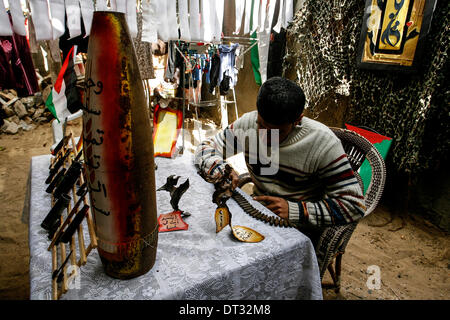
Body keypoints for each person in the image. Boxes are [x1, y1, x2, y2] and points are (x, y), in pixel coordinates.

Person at [194, 77, 365, 242]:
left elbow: (354, 206)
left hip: (300, 229)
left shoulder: (322, 143)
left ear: (298, 120)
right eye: (261, 125)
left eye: (277, 131)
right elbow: (204, 148)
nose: (265, 138)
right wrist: (221, 168)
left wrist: (296, 211)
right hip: (257, 212)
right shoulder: (248, 124)